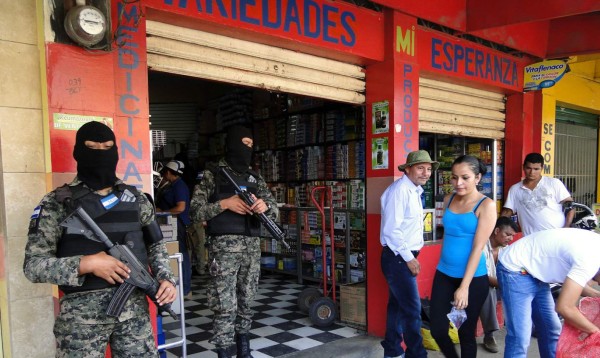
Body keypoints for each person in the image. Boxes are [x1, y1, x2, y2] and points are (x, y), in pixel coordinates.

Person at [23, 121, 177, 357]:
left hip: (134, 317)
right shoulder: (56, 203)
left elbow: (156, 246)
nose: (101, 154)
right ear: (78, 153)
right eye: (92, 148)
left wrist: (166, 278)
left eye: (107, 148)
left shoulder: (137, 200)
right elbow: (33, 266)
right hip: (80, 324)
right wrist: (87, 264)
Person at [190, 124, 278, 358]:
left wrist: (265, 206)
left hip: (251, 248)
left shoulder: (254, 178)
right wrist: (224, 204)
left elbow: (275, 209)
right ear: (233, 144)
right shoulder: (212, 175)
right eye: (244, 144)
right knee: (224, 305)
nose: (247, 149)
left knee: (247, 301)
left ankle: (244, 349)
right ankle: (224, 351)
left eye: (251, 145)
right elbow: (195, 212)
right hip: (224, 251)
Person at [430, 155, 497, 358]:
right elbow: (448, 236)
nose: (458, 183)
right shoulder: (449, 199)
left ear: (477, 178)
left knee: (466, 332)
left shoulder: (486, 205)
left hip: (473, 279)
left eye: (465, 177)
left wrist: (464, 287)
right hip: (444, 273)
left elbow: (477, 248)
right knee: (438, 330)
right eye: (454, 177)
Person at [497, 227, 600, 358]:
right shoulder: (589, 261)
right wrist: (595, 331)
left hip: (536, 270)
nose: (598, 285)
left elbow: (574, 285)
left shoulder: (594, 252)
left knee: (551, 329)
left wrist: (596, 296)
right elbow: (564, 307)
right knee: (520, 336)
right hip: (516, 268)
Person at [379, 150, 438, 358]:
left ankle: (393, 351)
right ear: (408, 169)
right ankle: (417, 354)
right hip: (399, 258)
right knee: (412, 310)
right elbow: (391, 230)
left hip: (402, 257)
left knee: (397, 307)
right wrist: (409, 258)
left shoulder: (414, 190)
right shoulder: (400, 191)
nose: (426, 173)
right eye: (420, 168)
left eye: (429, 169)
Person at [500, 152, 574, 236]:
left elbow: (570, 206)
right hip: (531, 239)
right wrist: (498, 228)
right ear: (523, 167)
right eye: (529, 168)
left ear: (542, 168)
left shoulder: (554, 183)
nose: (532, 172)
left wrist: (566, 227)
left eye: (536, 169)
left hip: (556, 236)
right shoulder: (515, 189)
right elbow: (507, 212)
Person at [479, 217, 519, 353]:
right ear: (496, 231)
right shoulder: (482, 246)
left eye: (512, 236)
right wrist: (507, 284)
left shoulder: (507, 250)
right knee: (488, 290)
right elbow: (482, 277)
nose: (510, 239)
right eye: (507, 234)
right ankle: (489, 335)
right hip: (479, 284)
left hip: (500, 285)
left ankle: (523, 328)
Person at [156, 160, 193, 297]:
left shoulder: (179, 186)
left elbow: (180, 208)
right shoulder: (173, 186)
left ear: (169, 172)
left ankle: (185, 288)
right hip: (174, 223)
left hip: (179, 224)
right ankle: (184, 287)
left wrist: (162, 212)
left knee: (181, 256)